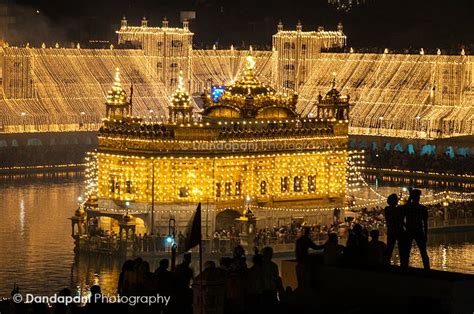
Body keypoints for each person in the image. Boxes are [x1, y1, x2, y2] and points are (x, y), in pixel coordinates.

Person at [402, 189, 430, 269]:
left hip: (410, 231)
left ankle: (404, 268)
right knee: (423, 252)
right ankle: (427, 269)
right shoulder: (422, 208)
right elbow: (425, 223)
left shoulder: (408, 207)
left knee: (407, 251)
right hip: (419, 231)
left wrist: (406, 226)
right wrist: (425, 234)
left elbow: (402, 216)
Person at [383, 193, 407, 265]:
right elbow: (401, 220)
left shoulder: (387, 209)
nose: (397, 200)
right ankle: (403, 264)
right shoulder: (398, 209)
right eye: (396, 199)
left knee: (390, 248)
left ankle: (386, 263)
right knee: (401, 249)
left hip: (391, 230)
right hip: (398, 230)